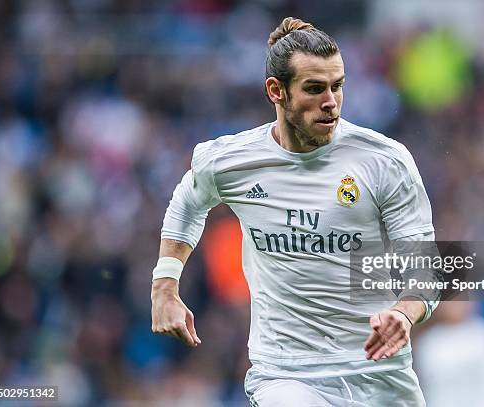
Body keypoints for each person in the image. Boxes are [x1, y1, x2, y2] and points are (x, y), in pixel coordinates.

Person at [151, 17, 439, 406]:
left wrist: (404, 314)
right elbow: (187, 203)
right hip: (286, 374)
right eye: (315, 89)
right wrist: (165, 287)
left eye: (338, 86)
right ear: (276, 91)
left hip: (378, 372)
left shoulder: (384, 160)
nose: (331, 102)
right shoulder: (231, 160)